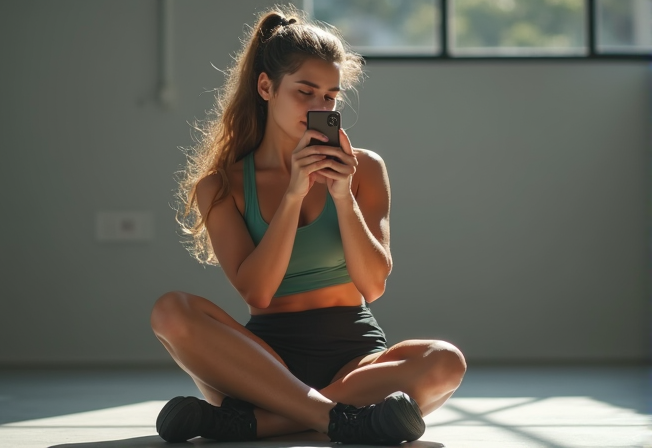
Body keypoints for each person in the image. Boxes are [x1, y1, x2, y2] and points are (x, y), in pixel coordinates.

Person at [151, 5, 466, 445]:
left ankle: (258, 423)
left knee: (446, 361)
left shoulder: (365, 170)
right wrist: (294, 193)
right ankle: (344, 419)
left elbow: (373, 285)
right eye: (306, 92)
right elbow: (257, 292)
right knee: (170, 310)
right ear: (266, 86)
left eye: (330, 97)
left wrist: (341, 194)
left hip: (355, 358)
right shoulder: (221, 185)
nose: (321, 106)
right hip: (265, 362)